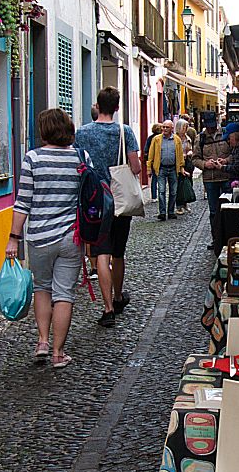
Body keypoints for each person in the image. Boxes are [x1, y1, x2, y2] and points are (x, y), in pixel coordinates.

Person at [5, 108, 89, 368]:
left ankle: (42, 341)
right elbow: (88, 198)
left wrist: (13, 238)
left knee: (42, 288)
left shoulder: (33, 158)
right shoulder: (80, 157)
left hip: (39, 236)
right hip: (70, 236)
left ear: (44, 131)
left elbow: (23, 203)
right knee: (64, 294)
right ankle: (57, 353)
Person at [75, 87, 141, 327]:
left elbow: (78, 165)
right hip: (120, 197)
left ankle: (107, 308)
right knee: (118, 252)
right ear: (116, 107)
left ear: (97, 105)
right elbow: (135, 168)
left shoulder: (81, 133)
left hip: (94, 198)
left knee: (101, 252)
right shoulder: (125, 132)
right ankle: (118, 295)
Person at [193, 117, 232, 251]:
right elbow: (195, 159)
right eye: (209, 127)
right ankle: (216, 239)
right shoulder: (201, 138)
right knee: (214, 211)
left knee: (229, 209)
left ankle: (228, 237)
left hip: (226, 177)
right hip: (210, 179)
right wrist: (205, 164)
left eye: (213, 126)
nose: (211, 129)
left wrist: (226, 161)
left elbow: (234, 153)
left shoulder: (225, 134)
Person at [147, 119, 183, 220]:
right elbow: (151, 154)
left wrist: (181, 167)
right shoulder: (157, 139)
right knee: (161, 191)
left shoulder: (177, 140)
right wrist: (149, 168)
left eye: (167, 127)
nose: (164, 129)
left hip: (173, 168)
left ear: (172, 128)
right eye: (163, 127)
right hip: (161, 168)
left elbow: (179, 155)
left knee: (173, 192)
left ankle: (171, 212)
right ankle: (162, 212)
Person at [175, 118, 194, 215]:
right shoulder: (175, 138)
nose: (186, 129)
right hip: (178, 163)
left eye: (186, 127)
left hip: (188, 163)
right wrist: (181, 155)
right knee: (179, 184)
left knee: (187, 183)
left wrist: (190, 152)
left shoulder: (188, 138)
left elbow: (191, 148)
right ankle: (179, 205)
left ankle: (185, 203)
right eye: (184, 127)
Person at [142, 122, 162, 202]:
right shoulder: (160, 138)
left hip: (153, 161)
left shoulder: (150, 138)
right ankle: (160, 194)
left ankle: (154, 196)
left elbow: (146, 149)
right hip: (158, 160)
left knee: (154, 178)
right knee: (160, 178)